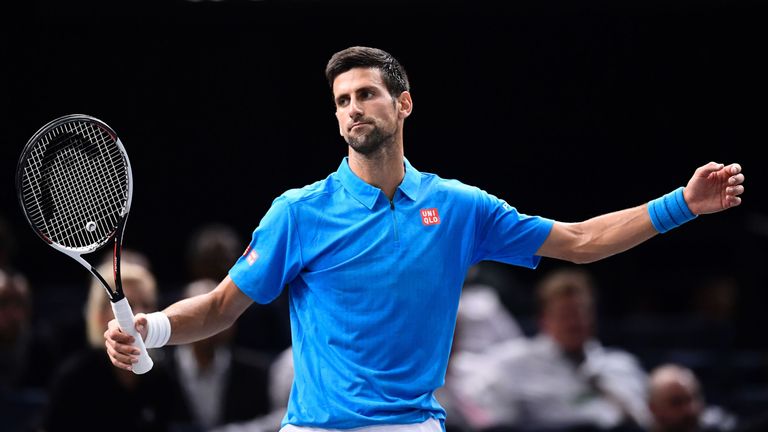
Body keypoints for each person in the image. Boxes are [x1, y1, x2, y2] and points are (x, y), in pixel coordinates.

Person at [104, 46, 745, 432]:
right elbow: (219, 307)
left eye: (366, 94)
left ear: (403, 104)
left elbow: (578, 241)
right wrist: (152, 329)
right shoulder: (298, 213)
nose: (352, 108)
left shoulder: (459, 207)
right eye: (341, 100)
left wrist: (682, 206)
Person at [456, 267, 652, 431]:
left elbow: (646, 420)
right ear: (544, 320)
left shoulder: (621, 364)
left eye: (582, 313)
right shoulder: (510, 364)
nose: (575, 322)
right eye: (565, 314)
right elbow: (496, 424)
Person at [44, 261, 190, 432]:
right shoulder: (73, 377)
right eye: (129, 306)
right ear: (99, 315)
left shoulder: (162, 379)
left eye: (147, 304)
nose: (138, 315)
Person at [169, 278, 272, 431]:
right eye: (198, 317)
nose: (207, 326)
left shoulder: (255, 372)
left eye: (213, 316)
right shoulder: (159, 372)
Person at [647, 363, 739, 432]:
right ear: (653, 408)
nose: (689, 409)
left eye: (693, 398)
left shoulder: (718, 426)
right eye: (676, 402)